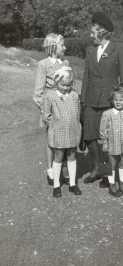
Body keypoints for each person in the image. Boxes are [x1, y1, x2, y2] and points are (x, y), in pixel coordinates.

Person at [80, 11, 123, 187]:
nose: (91, 35)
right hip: (91, 100)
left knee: (111, 138)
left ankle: (110, 172)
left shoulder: (119, 48)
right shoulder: (89, 49)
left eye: (93, 32)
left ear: (101, 31)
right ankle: (96, 168)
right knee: (90, 135)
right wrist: (82, 102)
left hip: (110, 101)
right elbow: (86, 77)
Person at [33, 33, 69, 185]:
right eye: (62, 45)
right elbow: (38, 92)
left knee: (65, 136)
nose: (65, 47)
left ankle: (64, 168)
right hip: (50, 106)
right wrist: (44, 109)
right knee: (51, 138)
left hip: (65, 105)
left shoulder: (65, 63)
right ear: (54, 47)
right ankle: (50, 170)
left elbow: (69, 84)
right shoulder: (43, 64)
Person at [42, 67, 82, 198]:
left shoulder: (74, 95)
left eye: (69, 85)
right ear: (56, 82)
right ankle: (56, 185)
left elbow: (78, 113)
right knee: (58, 156)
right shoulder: (51, 96)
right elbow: (46, 115)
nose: (66, 88)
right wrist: (55, 125)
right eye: (63, 85)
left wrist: (76, 125)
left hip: (72, 131)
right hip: (58, 132)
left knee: (71, 156)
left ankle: (72, 184)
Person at [100, 84, 123, 197]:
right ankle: (111, 184)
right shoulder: (107, 114)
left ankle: (122, 183)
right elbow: (103, 130)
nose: (118, 102)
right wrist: (104, 142)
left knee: (122, 163)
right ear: (112, 101)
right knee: (111, 163)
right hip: (112, 143)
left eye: (121, 100)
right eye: (115, 100)